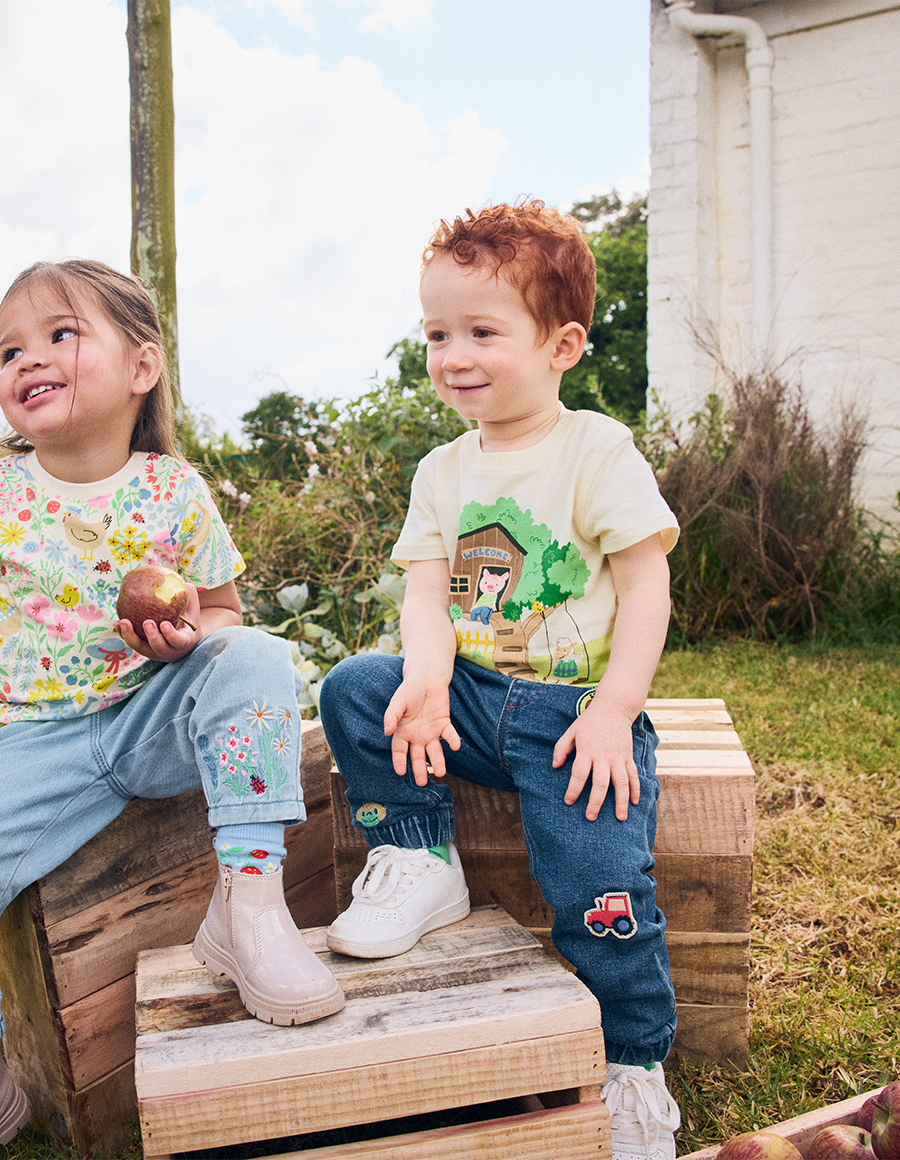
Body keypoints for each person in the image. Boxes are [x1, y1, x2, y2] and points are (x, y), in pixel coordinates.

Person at [0, 259, 343, 1160]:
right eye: (11, 347)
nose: (31, 359)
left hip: (151, 722)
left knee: (255, 654)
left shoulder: (176, 491)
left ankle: (249, 908)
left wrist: (186, 637)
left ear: (142, 368)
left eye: (62, 335)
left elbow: (223, 616)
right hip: (30, 748)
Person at [319, 202, 682, 1160]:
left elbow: (647, 584)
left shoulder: (593, 450)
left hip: (574, 724)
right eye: (437, 332)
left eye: (483, 332)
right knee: (360, 687)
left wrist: (615, 715)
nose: (453, 353)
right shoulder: (441, 471)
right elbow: (425, 596)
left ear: (561, 344)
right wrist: (429, 680)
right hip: (477, 702)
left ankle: (635, 1063)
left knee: (598, 890)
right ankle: (420, 859)